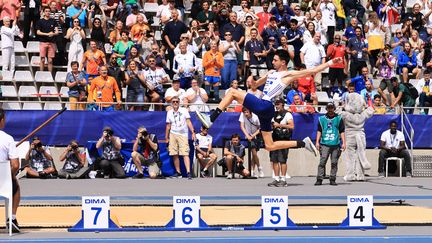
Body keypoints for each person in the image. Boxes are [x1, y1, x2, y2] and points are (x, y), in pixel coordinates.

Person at [197, 50, 342, 155]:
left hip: (265, 105)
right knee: (269, 145)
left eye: (275, 60)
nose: (272, 62)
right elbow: (255, 86)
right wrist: (252, 81)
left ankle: (211, 120)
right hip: (266, 109)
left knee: (233, 93)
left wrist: (330, 62)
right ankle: (303, 143)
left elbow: (313, 70)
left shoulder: (287, 74)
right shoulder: (271, 73)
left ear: (283, 62)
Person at [315, 102, 346, 186]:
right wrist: (317, 142)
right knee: (322, 162)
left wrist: (344, 142)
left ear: (334, 108)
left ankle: (332, 178)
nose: (330, 109)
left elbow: (342, 131)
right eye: (329, 108)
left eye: (332, 108)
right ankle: (319, 179)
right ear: (326, 109)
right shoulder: (321, 119)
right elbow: (319, 131)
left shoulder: (339, 118)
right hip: (324, 143)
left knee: (334, 162)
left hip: (335, 144)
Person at [0, 108, 21, 232]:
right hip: (3, 182)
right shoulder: (8, 139)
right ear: (2, 120)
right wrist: (10, 176)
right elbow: (15, 165)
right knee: (16, 186)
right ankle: (12, 218)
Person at [165, 96, 196, 179]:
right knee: (174, 153)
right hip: (173, 133)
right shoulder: (169, 112)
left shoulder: (184, 110)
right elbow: (168, 126)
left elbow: (188, 122)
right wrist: (166, 138)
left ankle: (188, 172)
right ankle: (178, 173)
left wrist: (193, 132)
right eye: (174, 102)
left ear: (179, 103)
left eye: (177, 102)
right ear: (171, 103)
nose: (175, 103)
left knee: (185, 153)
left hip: (183, 134)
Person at [267, 99, 294, 187]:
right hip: (274, 139)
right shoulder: (273, 114)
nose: (276, 106)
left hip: (284, 139)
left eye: (278, 104)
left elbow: (291, 126)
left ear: (282, 104)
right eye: (276, 104)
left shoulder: (287, 114)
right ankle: (276, 178)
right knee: (274, 160)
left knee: (282, 160)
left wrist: (279, 125)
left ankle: (283, 179)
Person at [239, 107, 263, 178]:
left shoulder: (256, 117)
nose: (245, 114)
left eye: (247, 112)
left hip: (257, 135)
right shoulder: (242, 115)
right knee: (253, 152)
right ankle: (259, 168)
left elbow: (260, 128)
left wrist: (254, 135)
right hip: (249, 136)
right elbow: (242, 126)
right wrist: (247, 135)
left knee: (254, 154)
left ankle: (252, 170)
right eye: (244, 112)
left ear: (250, 112)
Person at [36, 7, 59, 73]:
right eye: (46, 11)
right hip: (43, 42)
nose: (48, 12)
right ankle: (41, 74)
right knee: (42, 59)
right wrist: (47, 34)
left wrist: (53, 34)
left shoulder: (53, 21)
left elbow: (57, 32)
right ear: (44, 12)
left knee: (50, 60)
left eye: (49, 11)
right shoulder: (40, 21)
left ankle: (50, 76)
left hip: (51, 42)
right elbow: (38, 32)